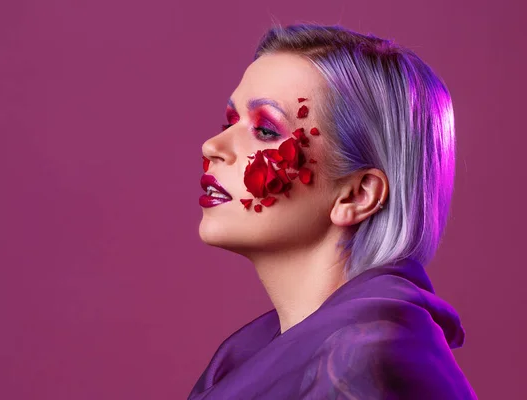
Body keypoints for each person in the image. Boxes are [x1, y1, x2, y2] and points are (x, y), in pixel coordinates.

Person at [193, 23, 477, 399]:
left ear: (357, 195)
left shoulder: (367, 359)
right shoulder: (247, 357)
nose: (212, 146)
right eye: (231, 121)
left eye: (266, 130)